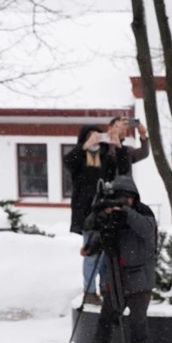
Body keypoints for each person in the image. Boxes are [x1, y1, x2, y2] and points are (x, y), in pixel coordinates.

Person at [65, 116, 150, 300]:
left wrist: (117, 145)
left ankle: (106, 289)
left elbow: (123, 166)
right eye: (118, 126)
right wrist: (85, 146)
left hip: (107, 210)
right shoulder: (80, 157)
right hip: (88, 213)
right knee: (91, 251)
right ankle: (89, 291)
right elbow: (69, 162)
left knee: (107, 253)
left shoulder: (106, 156)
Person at [84, 175, 159, 343]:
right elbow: (96, 229)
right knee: (106, 315)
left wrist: (125, 212)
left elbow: (146, 230)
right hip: (116, 275)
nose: (124, 201)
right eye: (120, 197)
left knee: (138, 319)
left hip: (140, 276)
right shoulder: (112, 216)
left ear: (134, 197)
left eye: (127, 197)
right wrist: (102, 213)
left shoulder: (143, 212)